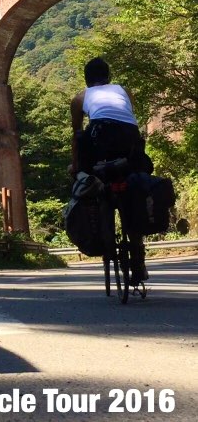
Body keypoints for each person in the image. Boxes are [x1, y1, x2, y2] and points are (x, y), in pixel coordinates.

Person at [70, 56, 149, 283]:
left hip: (101, 141)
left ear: (86, 79)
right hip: (129, 143)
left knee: (92, 175)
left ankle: (103, 236)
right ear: (109, 76)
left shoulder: (80, 98)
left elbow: (77, 135)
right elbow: (128, 118)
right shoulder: (124, 91)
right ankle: (139, 259)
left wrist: (76, 167)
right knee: (132, 191)